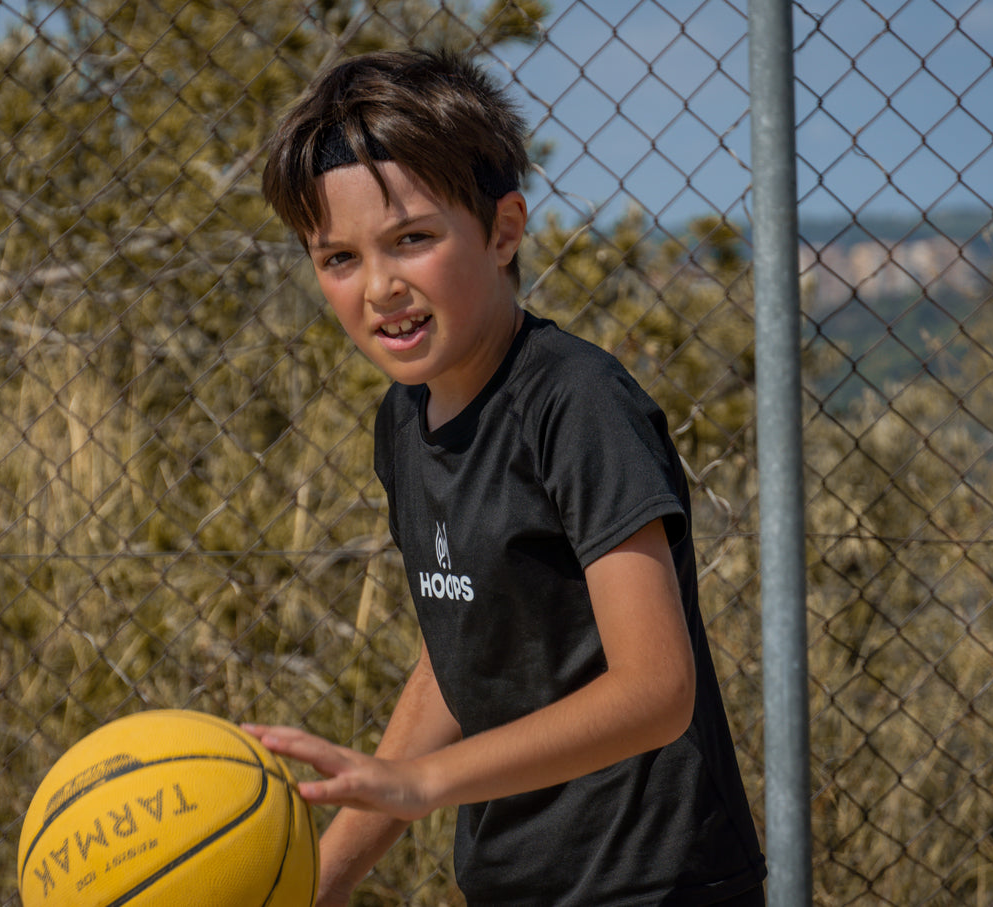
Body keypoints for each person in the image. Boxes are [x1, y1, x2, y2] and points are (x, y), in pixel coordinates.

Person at [246, 48, 767, 906]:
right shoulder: (404, 420)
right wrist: (321, 877)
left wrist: (424, 783)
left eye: (411, 239)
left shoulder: (577, 401)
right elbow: (460, 656)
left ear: (503, 230)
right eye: (337, 258)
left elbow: (656, 691)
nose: (379, 286)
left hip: (654, 884)